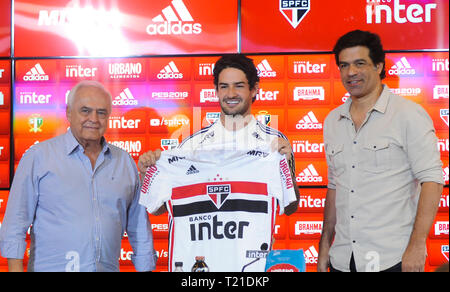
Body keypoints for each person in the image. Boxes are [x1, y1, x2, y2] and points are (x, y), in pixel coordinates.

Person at [317, 30, 444, 272]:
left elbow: (432, 180)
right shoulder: (332, 121)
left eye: (359, 63)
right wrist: (325, 246)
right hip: (343, 258)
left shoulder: (408, 115)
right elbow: (335, 187)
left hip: (392, 258)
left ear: (378, 66)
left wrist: (417, 245)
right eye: (344, 65)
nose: (351, 72)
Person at [0, 81, 157, 272]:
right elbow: (15, 223)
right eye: (85, 110)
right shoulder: (39, 157)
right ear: (68, 113)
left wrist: (146, 268)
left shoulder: (124, 162)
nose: (94, 119)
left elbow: (138, 225)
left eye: (101, 112)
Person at [138, 54, 299, 215]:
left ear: (255, 89)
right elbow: (159, 209)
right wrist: (146, 174)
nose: (231, 94)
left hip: (253, 241)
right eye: (224, 86)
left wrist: (288, 172)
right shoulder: (191, 145)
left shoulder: (273, 142)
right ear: (216, 90)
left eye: (239, 86)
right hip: (198, 240)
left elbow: (290, 208)